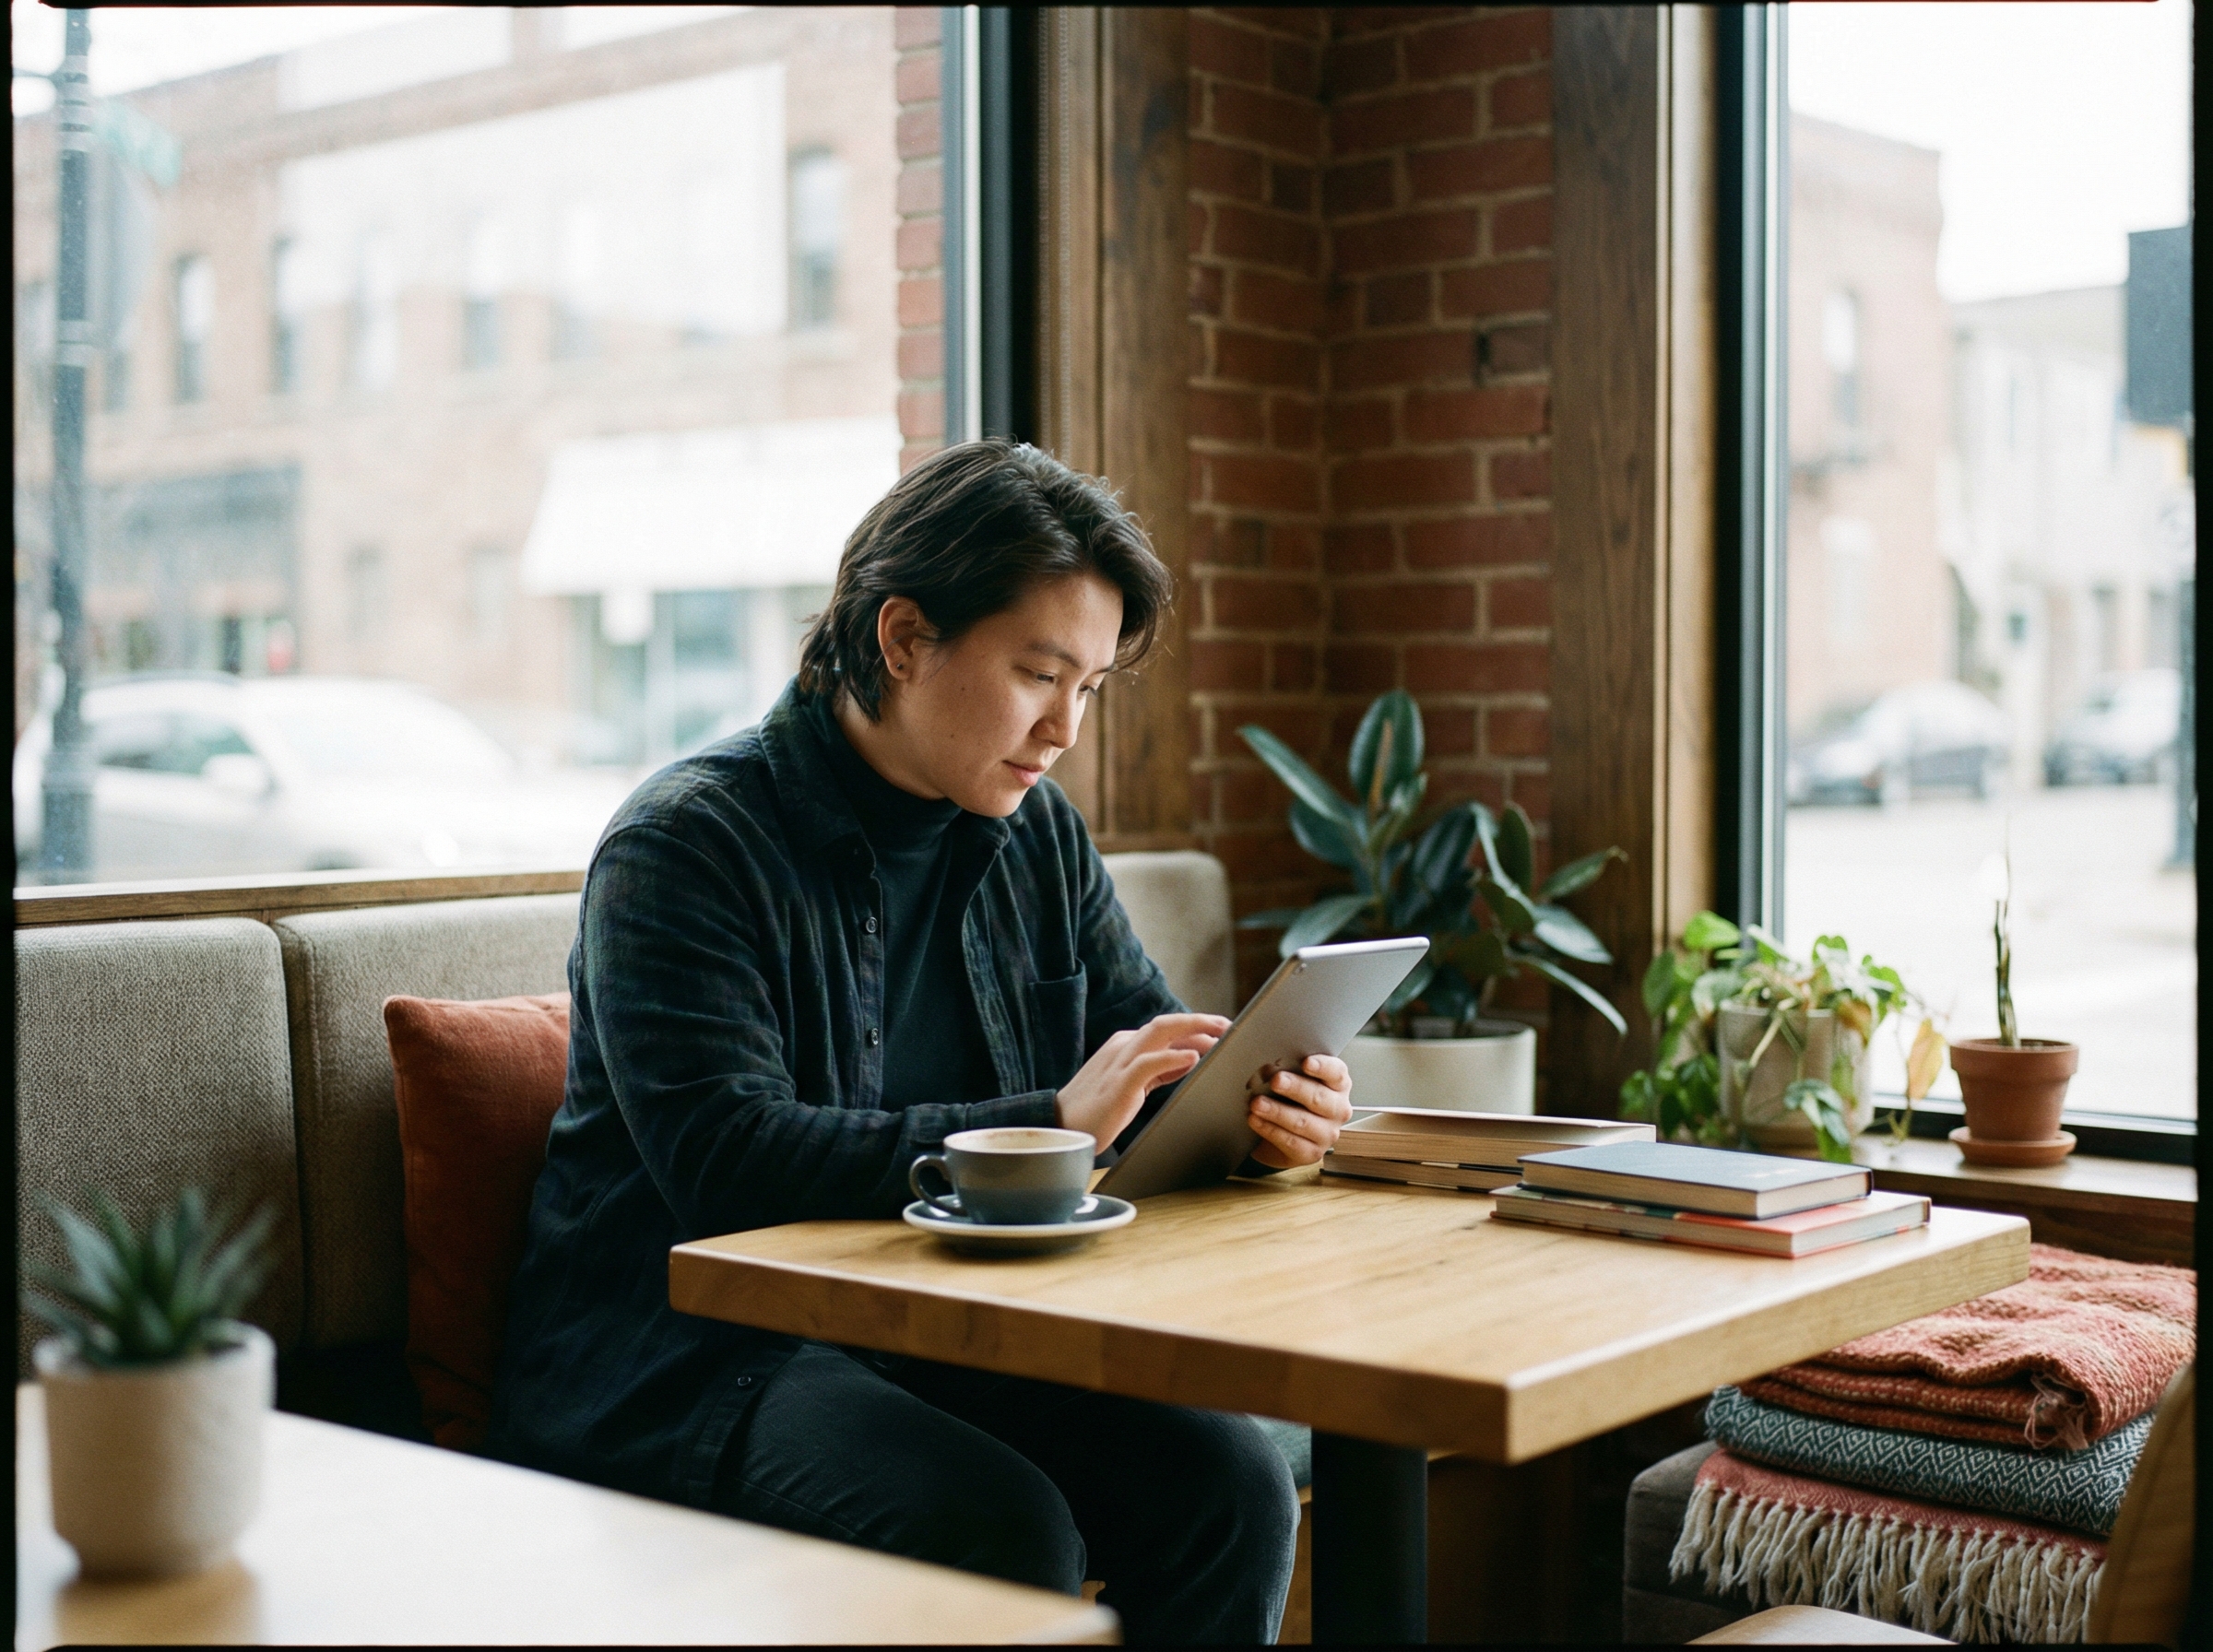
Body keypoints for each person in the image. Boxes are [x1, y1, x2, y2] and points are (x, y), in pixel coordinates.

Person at [487, 440, 1355, 1644]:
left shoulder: (1033, 833)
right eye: (1039, 673)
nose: (1064, 728)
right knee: (1001, 1529)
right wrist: (1046, 1126)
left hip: (955, 1325)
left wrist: (1259, 1117)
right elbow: (725, 1165)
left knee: (1235, 1489)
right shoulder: (685, 845)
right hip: (693, 1355)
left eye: (1092, 687)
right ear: (902, 639)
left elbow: (1145, 1071)